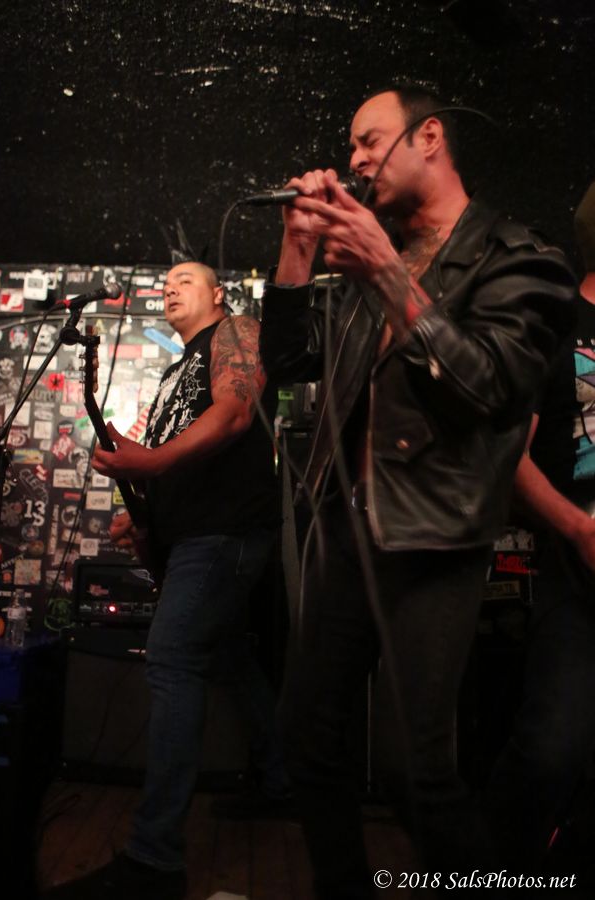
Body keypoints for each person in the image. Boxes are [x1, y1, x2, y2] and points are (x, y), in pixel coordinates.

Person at [259, 85, 576, 898]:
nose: (355, 160)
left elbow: (490, 389)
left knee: (415, 771)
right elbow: (289, 364)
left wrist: (384, 270)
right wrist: (297, 248)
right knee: (308, 738)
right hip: (347, 525)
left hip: (435, 537)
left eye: (370, 141)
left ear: (428, 137)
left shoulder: (520, 258)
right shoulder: (379, 254)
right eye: (352, 147)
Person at [45, 261, 286, 900]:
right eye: (166, 282)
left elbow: (235, 414)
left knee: (173, 658)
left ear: (219, 293)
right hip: (192, 536)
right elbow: (186, 457)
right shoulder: (176, 371)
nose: (170, 287)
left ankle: (155, 860)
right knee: (230, 657)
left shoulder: (237, 331)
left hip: (225, 533)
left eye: (186, 279)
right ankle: (281, 780)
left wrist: (150, 462)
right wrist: (146, 514)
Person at [485, 181, 595, 884]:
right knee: (551, 747)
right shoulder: (556, 326)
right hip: (576, 565)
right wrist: (579, 530)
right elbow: (507, 459)